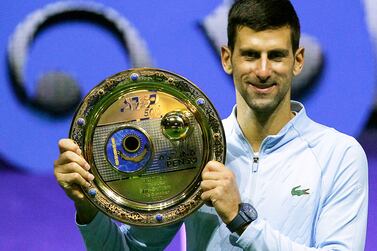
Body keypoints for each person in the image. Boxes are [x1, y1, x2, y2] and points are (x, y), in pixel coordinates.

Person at [54, 0, 368, 250]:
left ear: (297, 61)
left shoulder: (338, 155)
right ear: (227, 58)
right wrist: (88, 208)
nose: (262, 70)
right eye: (249, 55)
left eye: (275, 56)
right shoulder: (191, 145)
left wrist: (240, 220)